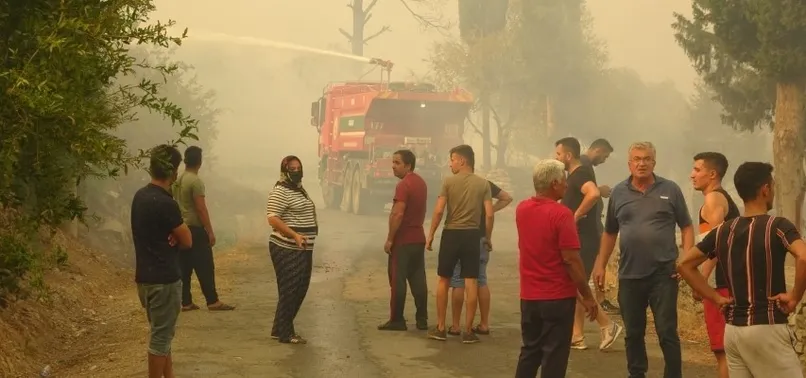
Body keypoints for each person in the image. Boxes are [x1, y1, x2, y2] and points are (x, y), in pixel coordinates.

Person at [678, 162, 806, 378]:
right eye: (773, 186)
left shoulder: (723, 231)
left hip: (733, 331)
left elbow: (684, 265)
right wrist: (794, 297)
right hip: (767, 326)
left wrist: (716, 298)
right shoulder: (777, 226)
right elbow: (803, 256)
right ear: (765, 189)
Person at [592, 141, 694, 378]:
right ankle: (636, 373)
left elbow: (687, 226)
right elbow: (610, 232)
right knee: (633, 333)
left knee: (667, 332)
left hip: (664, 274)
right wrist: (600, 264)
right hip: (630, 274)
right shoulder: (618, 192)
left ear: (654, 163)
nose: (642, 163)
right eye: (637, 159)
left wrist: (686, 259)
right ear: (629, 164)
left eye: (647, 159)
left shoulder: (670, 189)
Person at [514, 159, 598, 378]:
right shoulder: (562, 214)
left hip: (529, 296)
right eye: (563, 180)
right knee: (554, 356)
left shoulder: (522, 209)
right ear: (554, 183)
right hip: (557, 297)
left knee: (530, 351)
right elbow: (571, 260)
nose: (566, 185)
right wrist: (587, 296)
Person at [554, 137, 623, 351]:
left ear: (568, 156)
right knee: (574, 283)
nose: (556, 158)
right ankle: (577, 335)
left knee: (576, 283)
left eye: (558, 154)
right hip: (581, 236)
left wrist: (574, 216)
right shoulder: (577, 173)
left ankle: (606, 324)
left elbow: (592, 194)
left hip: (584, 238)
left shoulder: (580, 172)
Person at [131, 144, 192, 378]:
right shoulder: (166, 203)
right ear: (174, 172)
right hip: (164, 280)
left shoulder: (140, 196)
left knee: (162, 335)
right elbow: (187, 240)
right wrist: (176, 235)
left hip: (145, 280)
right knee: (160, 339)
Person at [426, 144, 493, 344]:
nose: (450, 164)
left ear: (462, 161)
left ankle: (440, 327)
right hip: (472, 235)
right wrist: (487, 238)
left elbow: (439, 211)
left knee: (444, 280)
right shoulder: (483, 184)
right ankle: (468, 331)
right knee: (471, 281)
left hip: (451, 234)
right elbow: (489, 214)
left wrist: (430, 235)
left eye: (453, 160)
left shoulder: (448, 182)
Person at [689, 152, 740, 378]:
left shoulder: (713, 200)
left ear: (712, 174)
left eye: (697, 170)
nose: (692, 175)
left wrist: (699, 281)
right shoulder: (720, 199)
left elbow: (714, 245)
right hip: (730, 282)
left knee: (725, 353)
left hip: (721, 286)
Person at [448, 175, 512, 336]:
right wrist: (489, 210)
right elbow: (507, 198)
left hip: (460, 236)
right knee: (481, 280)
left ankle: (455, 325)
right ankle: (484, 324)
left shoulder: (454, 184)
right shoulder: (484, 184)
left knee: (458, 281)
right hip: (480, 237)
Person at [173, 146, 234, 312]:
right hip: (195, 229)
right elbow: (200, 208)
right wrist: (210, 231)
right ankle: (212, 300)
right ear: (199, 162)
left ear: (185, 160)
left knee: (184, 266)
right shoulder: (195, 181)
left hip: (181, 228)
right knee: (205, 265)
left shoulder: (178, 180)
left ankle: (186, 302)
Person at [266, 155, 318, 345]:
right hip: (286, 247)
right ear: (284, 171)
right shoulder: (281, 190)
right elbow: (272, 218)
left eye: (299, 168)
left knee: (299, 289)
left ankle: (279, 327)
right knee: (290, 289)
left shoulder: (297, 189)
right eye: (292, 169)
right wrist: (294, 235)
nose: (296, 171)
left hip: (303, 248)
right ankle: (286, 333)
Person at [379, 149, 429, 331]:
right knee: (418, 279)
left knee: (397, 280)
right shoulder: (421, 183)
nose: (393, 166)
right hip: (418, 237)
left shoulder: (403, 185)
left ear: (408, 165)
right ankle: (422, 319)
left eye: (397, 163)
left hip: (403, 239)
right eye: (393, 162)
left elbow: (397, 213)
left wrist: (390, 239)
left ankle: (397, 319)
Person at [580, 138, 620, 314]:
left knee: (599, 259)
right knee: (595, 261)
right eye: (605, 156)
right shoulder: (583, 165)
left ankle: (600, 298)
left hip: (594, 222)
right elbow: (582, 190)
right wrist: (599, 190)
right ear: (597, 150)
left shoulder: (586, 165)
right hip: (588, 226)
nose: (604, 160)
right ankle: (594, 300)